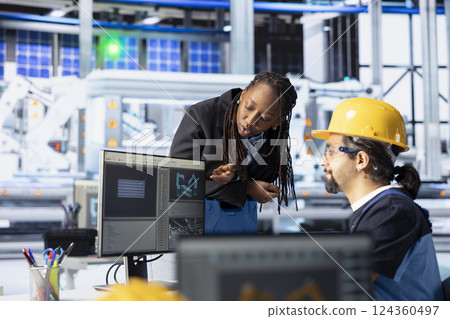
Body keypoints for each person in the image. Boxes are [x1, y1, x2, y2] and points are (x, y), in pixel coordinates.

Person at [311, 97, 444, 301]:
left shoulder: (391, 212)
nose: (323, 160)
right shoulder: (379, 209)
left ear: (361, 160)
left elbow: (342, 289)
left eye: (330, 150)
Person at [170, 71, 297, 210]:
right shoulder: (201, 116)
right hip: (192, 219)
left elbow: (265, 179)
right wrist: (247, 188)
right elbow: (178, 182)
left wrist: (236, 175)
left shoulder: (274, 137)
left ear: (277, 122)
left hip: (239, 221)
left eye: (264, 119)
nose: (250, 121)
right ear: (243, 94)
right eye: (249, 107)